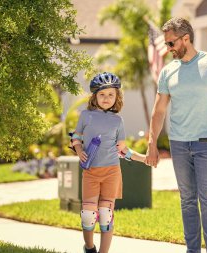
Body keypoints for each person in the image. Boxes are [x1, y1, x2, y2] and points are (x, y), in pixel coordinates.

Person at [145, 17, 207, 253]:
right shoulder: (169, 71)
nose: (168, 49)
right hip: (179, 144)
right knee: (187, 199)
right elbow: (159, 111)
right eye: (166, 44)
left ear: (185, 38)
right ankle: (192, 250)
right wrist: (152, 144)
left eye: (171, 44)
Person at [71, 72, 146, 253]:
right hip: (91, 172)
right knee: (88, 216)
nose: (106, 98)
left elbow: (123, 149)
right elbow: (76, 138)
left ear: (117, 97)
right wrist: (79, 151)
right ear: (94, 96)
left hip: (112, 171)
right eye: (102, 94)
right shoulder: (86, 116)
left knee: (106, 215)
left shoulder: (117, 120)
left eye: (111, 94)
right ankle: (89, 248)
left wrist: (144, 159)